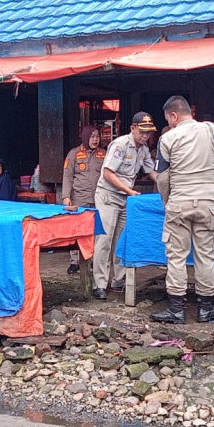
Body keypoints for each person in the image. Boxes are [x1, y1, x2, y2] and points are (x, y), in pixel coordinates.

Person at [150, 95, 214, 324]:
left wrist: (169, 201)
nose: (168, 124)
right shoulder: (213, 131)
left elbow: (162, 178)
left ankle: (177, 310)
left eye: (168, 119)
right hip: (208, 204)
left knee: (176, 257)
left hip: (179, 203)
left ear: (173, 115)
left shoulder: (168, 138)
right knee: (205, 256)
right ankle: (205, 309)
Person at [92, 112, 158, 299]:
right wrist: (129, 191)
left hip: (125, 198)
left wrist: (167, 185)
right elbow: (108, 173)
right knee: (104, 240)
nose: (145, 136)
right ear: (133, 128)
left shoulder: (143, 149)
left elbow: (151, 172)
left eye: (148, 133)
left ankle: (118, 280)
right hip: (108, 196)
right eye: (142, 132)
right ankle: (99, 284)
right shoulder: (120, 145)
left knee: (121, 240)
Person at [62, 125, 105, 274]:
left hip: (98, 199)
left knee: (95, 231)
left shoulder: (103, 154)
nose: (95, 140)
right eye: (92, 137)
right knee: (77, 230)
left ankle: (92, 260)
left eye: (97, 137)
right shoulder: (73, 154)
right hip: (79, 199)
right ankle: (75, 261)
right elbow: (67, 177)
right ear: (85, 137)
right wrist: (66, 197)